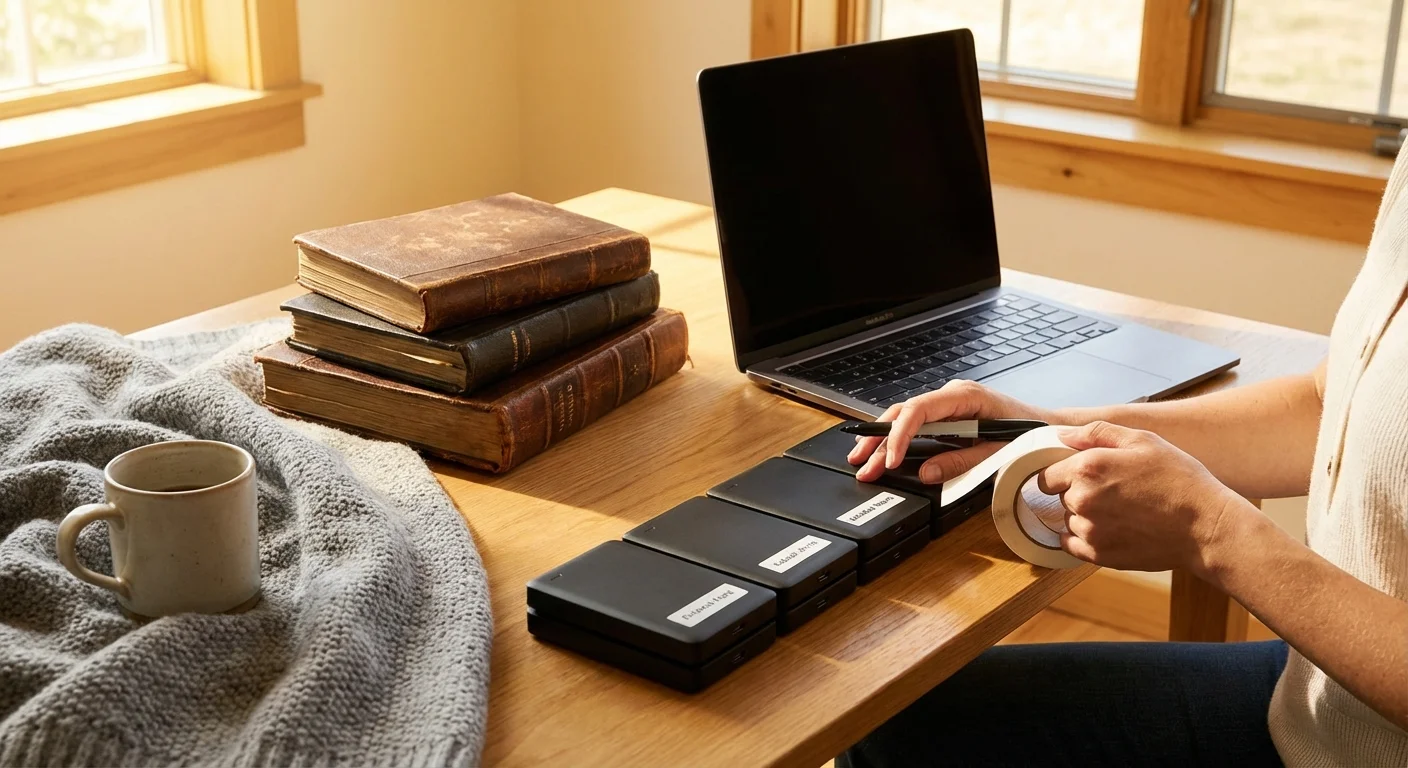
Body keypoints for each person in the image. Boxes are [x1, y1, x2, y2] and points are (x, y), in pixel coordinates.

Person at [838, 164, 1408, 766]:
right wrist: (1047, 428)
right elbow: (1327, 403)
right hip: (1323, 695)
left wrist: (1214, 534)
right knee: (892, 730)